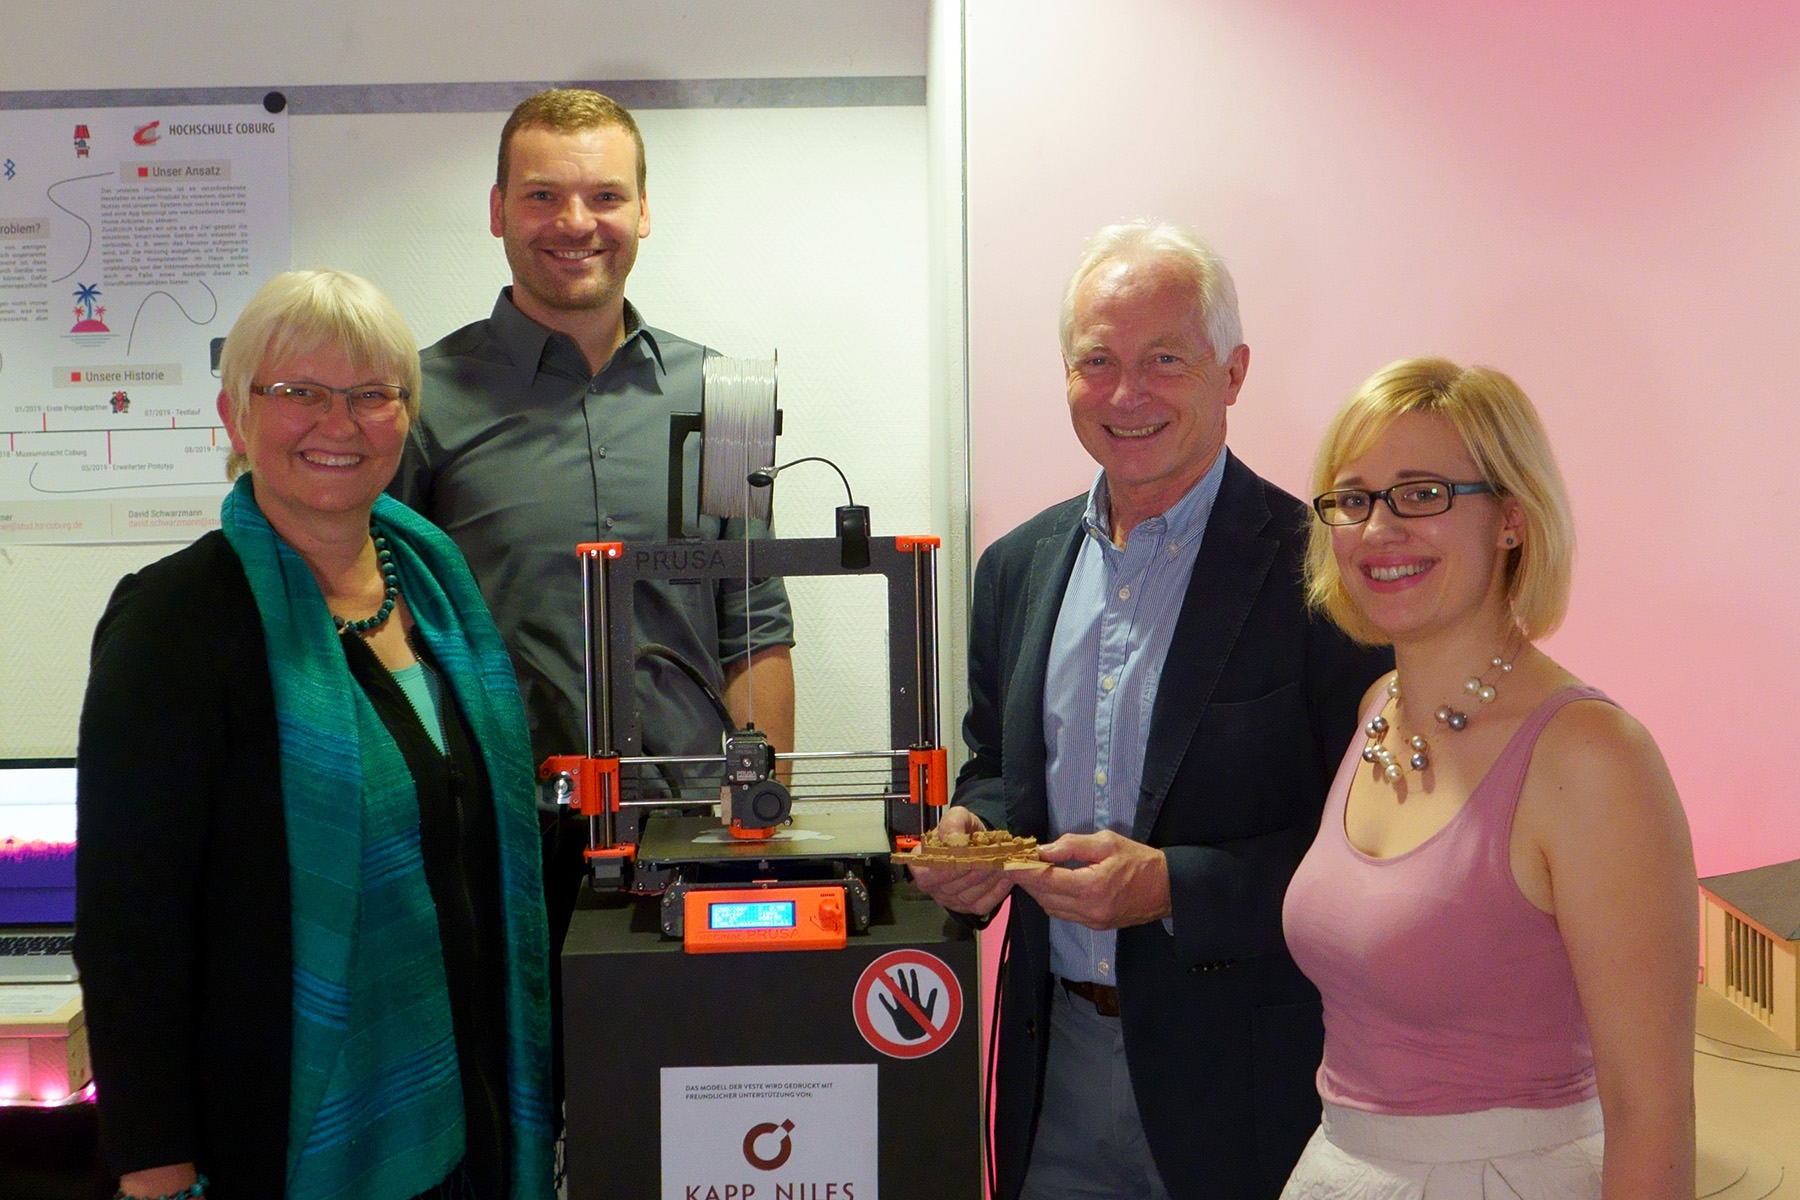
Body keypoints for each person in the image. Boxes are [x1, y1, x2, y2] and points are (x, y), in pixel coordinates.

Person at [910, 221, 1391, 1200]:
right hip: (1054, 1067)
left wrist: (1173, 886)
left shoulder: (1325, 576)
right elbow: (998, 766)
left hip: (1255, 1084)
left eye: (1164, 361)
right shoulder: (1016, 569)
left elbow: (1375, 853)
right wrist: (977, 839)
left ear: (1234, 371)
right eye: (1097, 362)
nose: (1125, 395)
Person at [75, 269, 554, 1200]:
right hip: (274, 1141)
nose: (339, 423)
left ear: (406, 417)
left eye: (372, 395)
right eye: (298, 392)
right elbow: (131, 924)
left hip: (464, 1114)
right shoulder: (174, 622)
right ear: (234, 413)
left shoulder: (439, 596)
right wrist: (154, 1163)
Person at [1280, 357, 1696, 1198]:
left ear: (1511, 517)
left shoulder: (1591, 756)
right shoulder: (1377, 708)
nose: (1378, 527)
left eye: (1423, 493)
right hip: (1337, 1166)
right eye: (1354, 498)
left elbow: (1653, 1114)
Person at [388, 86, 795, 801]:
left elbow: (753, 621)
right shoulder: (418, 402)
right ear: (498, 211)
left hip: (693, 821)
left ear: (642, 211)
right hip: (500, 828)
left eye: (605, 195)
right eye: (542, 195)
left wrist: (764, 815)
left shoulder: (722, 392)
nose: (575, 223)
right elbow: (385, 625)